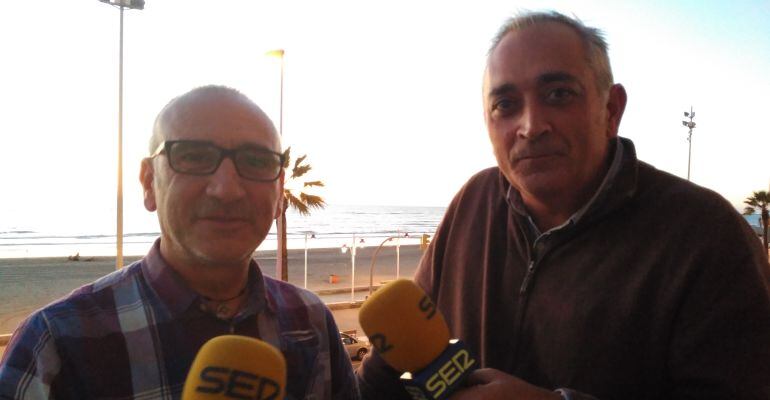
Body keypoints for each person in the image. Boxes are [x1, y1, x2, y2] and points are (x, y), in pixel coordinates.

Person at [357, 11, 770, 400]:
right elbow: (388, 371)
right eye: (506, 104)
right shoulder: (473, 202)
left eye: (558, 94)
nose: (531, 126)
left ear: (611, 110)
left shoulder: (707, 236)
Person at [0, 85, 359, 399]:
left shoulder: (311, 320)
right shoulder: (55, 346)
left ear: (279, 192)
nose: (226, 190)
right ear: (148, 182)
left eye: (256, 161)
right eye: (194, 156)